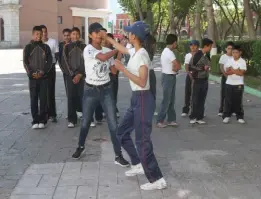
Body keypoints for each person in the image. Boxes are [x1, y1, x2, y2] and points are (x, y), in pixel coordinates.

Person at [103, 21, 167, 191]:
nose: (127, 35)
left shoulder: (142, 55)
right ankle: (138, 163)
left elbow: (142, 81)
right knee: (121, 132)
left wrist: (122, 69)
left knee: (142, 141)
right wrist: (106, 38)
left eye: (129, 33)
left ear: (134, 36)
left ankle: (157, 179)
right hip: (135, 99)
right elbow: (121, 48)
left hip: (143, 99)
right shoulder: (135, 50)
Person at [72, 22, 130, 168]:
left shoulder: (106, 49)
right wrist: (116, 46)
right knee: (85, 122)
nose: (100, 35)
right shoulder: (88, 49)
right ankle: (80, 146)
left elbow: (114, 71)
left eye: (101, 32)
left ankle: (118, 155)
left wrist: (119, 53)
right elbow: (103, 58)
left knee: (113, 124)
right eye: (97, 32)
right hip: (90, 90)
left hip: (106, 90)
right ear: (91, 35)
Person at [23, 26, 52, 129]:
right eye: (37, 34)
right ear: (33, 34)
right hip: (33, 79)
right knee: (34, 99)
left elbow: (49, 63)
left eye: (40, 34)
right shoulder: (28, 47)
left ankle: (42, 120)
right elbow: (25, 62)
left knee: (43, 100)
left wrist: (43, 72)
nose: (39, 36)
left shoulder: (46, 47)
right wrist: (31, 73)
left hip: (43, 78)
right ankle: (35, 120)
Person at [63, 27, 86, 128]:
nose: (75, 36)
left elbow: (86, 61)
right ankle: (72, 119)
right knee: (71, 97)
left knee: (83, 96)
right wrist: (73, 75)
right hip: (70, 76)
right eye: (73, 34)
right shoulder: (66, 47)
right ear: (70, 36)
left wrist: (80, 74)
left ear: (79, 35)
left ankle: (87, 118)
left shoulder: (84, 47)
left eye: (77, 34)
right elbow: (65, 62)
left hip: (82, 76)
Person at [157, 34, 181, 128]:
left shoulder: (167, 51)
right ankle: (160, 120)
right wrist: (177, 68)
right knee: (166, 100)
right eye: (176, 43)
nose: (176, 44)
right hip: (168, 77)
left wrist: (175, 69)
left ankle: (171, 119)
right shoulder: (169, 52)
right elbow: (177, 65)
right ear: (174, 42)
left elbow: (175, 66)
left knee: (171, 100)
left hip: (169, 76)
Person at [189, 38, 213, 124]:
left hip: (205, 80)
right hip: (197, 80)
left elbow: (209, 65)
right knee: (195, 99)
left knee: (202, 99)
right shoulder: (197, 55)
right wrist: (202, 68)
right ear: (206, 46)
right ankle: (193, 116)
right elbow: (190, 67)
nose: (210, 48)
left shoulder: (207, 55)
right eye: (210, 46)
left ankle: (200, 117)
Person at [222, 45, 246, 124]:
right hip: (229, 83)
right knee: (228, 100)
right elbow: (227, 72)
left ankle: (239, 117)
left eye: (236, 52)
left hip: (239, 83)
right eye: (233, 52)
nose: (235, 54)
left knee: (238, 101)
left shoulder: (242, 61)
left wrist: (232, 69)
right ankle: (226, 116)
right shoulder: (229, 60)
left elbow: (241, 73)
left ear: (240, 53)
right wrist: (236, 70)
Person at [41, 25, 59, 123]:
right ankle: (43, 114)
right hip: (40, 70)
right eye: (42, 32)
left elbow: (56, 56)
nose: (44, 34)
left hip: (50, 69)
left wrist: (50, 65)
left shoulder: (53, 42)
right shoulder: (37, 44)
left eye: (45, 31)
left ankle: (52, 114)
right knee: (42, 93)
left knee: (50, 92)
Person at [181, 40, 199, 117]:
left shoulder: (201, 55)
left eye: (194, 45)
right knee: (188, 93)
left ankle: (198, 110)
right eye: (191, 45)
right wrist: (191, 76)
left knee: (198, 95)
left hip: (199, 77)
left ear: (197, 46)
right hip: (190, 76)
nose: (193, 47)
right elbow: (186, 67)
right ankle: (185, 110)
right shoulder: (188, 55)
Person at [218, 41, 234, 116]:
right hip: (225, 77)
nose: (230, 50)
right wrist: (226, 76)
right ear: (226, 49)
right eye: (229, 48)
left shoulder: (235, 57)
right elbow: (221, 67)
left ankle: (232, 109)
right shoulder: (223, 57)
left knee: (233, 94)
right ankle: (221, 110)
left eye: (231, 48)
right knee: (224, 94)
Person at [59, 28, 72, 97]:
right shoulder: (61, 45)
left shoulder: (73, 44)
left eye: (68, 35)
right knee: (67, 88)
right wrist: (63, 70)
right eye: (65, 35)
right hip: (65, 71)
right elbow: (59, 58)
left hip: (73, 70)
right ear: (63, 36)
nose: (66, 37)